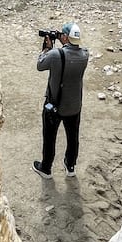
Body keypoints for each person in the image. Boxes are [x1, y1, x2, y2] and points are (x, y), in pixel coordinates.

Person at [32, 21, 88, 179]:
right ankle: (70, 166)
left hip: (54, 105)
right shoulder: (85, 54)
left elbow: (40, 64)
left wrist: (47, 47)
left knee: (49, 137)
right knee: (73, 137)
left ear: (64, 37)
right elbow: (72, 52)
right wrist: (61, 40)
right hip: (75, 105)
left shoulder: (56, 55)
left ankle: (46, 168)